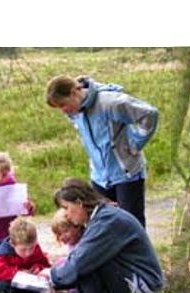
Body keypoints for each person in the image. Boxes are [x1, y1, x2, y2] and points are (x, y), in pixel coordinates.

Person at [46, 75, 158, 227]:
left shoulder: (109, 102)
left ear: (73, 92)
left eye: (63, 104)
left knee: (130, 225)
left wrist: (135, 143)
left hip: (126, 174)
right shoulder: (74, 112)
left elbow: (149, 114)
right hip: (99, 177)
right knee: (104, 225)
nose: (63, 111)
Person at [46, 179, 162, 293]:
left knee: (86, 264)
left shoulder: (106, 222)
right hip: (134, 277)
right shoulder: (101, 217)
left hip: (145, 286)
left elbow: (78, 263)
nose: (66, 214)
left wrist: (50, 276)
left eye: (66, 208)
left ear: (79, 203)